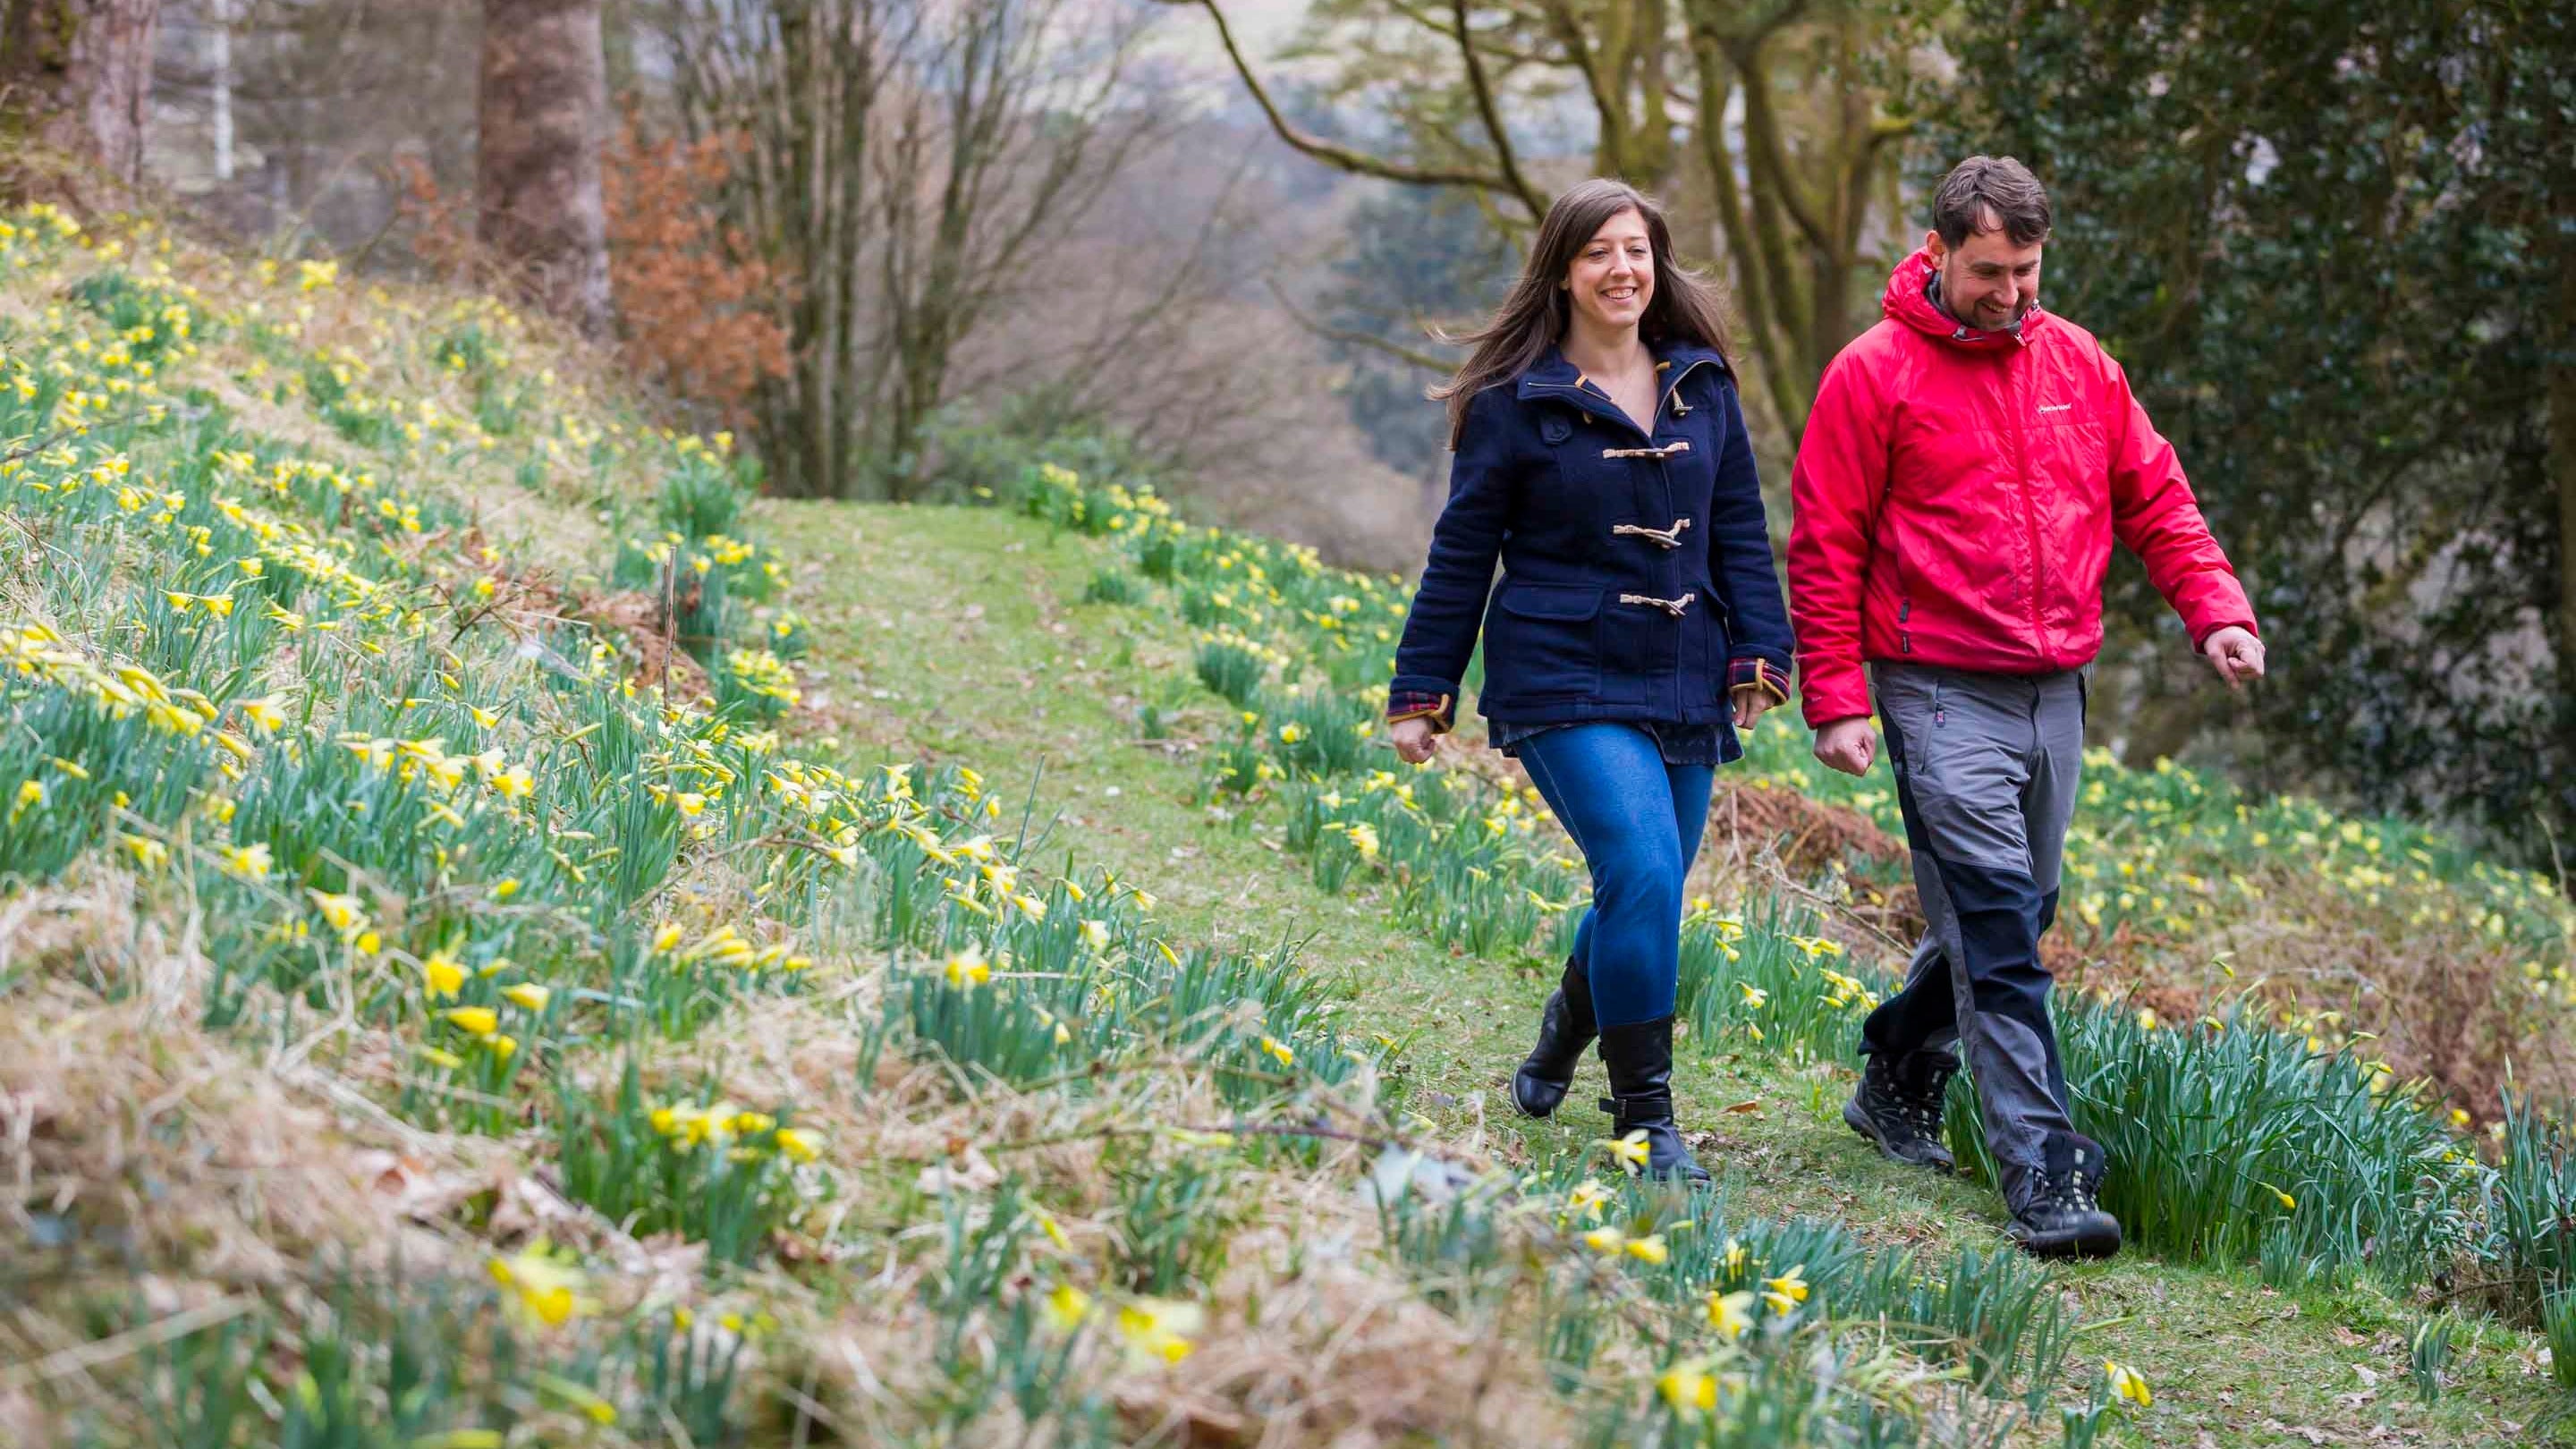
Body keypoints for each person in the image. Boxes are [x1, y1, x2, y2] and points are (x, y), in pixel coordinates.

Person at [1787, 156, 2267, 1258]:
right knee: (1999, 929)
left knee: (2012, 917)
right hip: (1935, 685)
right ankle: (2046, 1178)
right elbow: (1824, 544)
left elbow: (2156, 495)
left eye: (2027, 269)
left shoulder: (2080, 364)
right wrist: (1837, 699)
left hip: (2057, 686)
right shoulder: (1871, 374)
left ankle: (1898, 1076)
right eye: (1989, 271)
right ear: (1940, 252)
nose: (2009, 291)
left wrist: (2217, 612)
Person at [1384, 178, 1794, 1184]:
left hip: (1685, 670)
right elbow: (1461, 550)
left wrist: (1759, 655)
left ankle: (1569, 1025)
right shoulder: (1512, 403)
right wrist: (1421, 688)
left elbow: (1740, 527)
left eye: (1638, 250)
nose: (1622, 269)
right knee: (1646, 874)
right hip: (1560, 670)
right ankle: (1645, 1119)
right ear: (1563, 272)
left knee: (1641, 891)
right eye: (1600, 253)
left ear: (1658, 266)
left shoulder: (1705, 386)